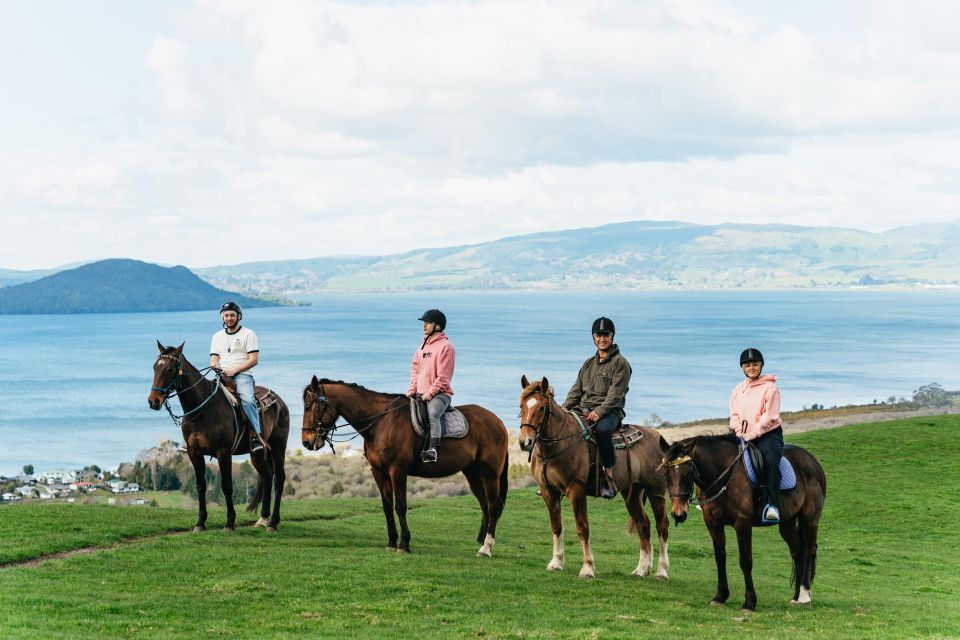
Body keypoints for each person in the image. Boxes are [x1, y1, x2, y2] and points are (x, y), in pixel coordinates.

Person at [563, 317, 632, 499]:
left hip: (610, 412)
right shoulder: (587, 364)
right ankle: (561, 477)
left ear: (612, 336)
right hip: (584, 409)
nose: (602, 339)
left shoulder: (620, 363)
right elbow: (575, 391)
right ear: (593, 338)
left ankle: (608, 477)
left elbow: (615, 395)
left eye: (606, 335)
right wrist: (563, 412)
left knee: (601, 431)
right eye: (598, 335)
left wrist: (599, 412)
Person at [730, 347, 783, 523]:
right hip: (743, 435)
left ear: (761, 365)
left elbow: (770, 416)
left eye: (755, 364)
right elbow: (735, 414)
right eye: (747, 365)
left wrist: (752, 434)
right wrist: (739, 431)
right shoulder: (738, 389)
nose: (751, 368)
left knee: (770, 463)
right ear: (742, 368)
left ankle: (772, 506)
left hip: (768, 435)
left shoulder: (770, 388)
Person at [210, 301, 264, 453]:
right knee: (206, 397)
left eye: (232, 315)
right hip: (222, 375)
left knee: (247, 401)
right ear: (222, 318)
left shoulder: (249, 334)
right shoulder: (217, 336)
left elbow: (254, 359)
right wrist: (215, 365)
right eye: (226, 315)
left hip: (242, 375)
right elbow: (214, 358)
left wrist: (235, 370)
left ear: (239, 317)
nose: (229, 318)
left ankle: (255, 436)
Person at [407, 309, 455, 463]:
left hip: (441, 394)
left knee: (433, 413)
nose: (424, 325)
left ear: (438, 326)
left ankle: (433, 450)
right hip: (420, 392)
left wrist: (430, 393)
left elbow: (444, 377)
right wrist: (412, 388)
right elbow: (416, 369)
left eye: (428, 322)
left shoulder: (446, 347)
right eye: (424, 323)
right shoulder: (423, 346)